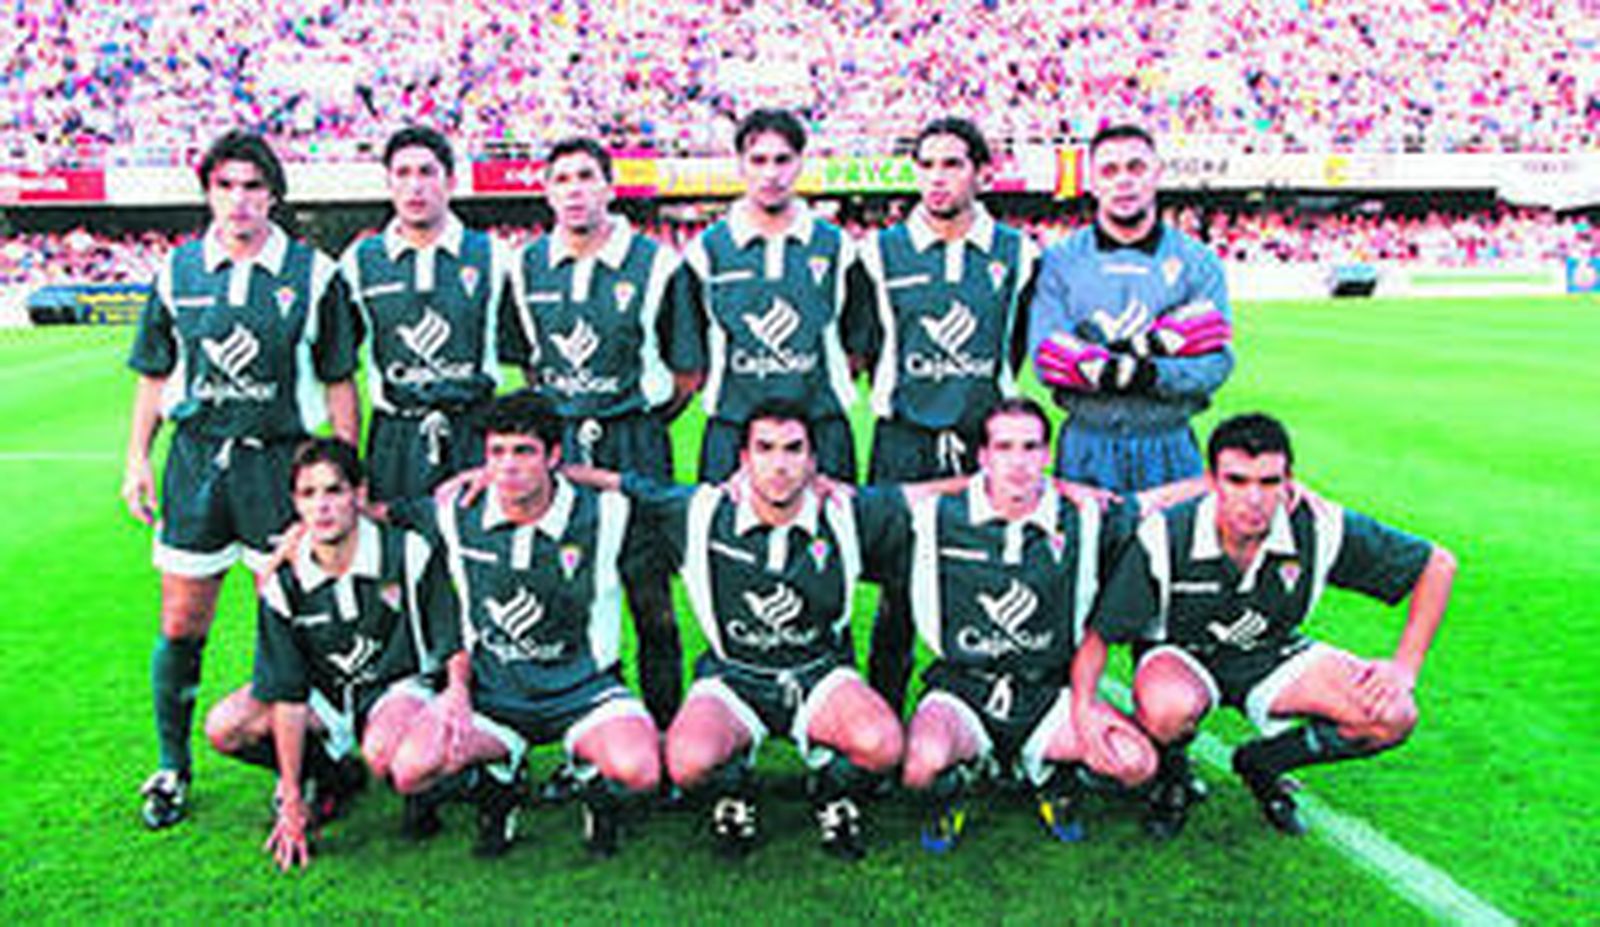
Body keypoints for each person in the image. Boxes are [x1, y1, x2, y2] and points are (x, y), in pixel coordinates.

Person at [123, 129, 360, 830]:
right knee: (179, 624)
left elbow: (339, 381)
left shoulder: (313, 273)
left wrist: (343, 478)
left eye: (253, 186)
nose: (239, 200)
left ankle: (309, 766)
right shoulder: (177, 270)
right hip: (197, 464)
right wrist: (137, 457)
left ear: (274, 196)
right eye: (225, 185)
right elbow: (155, 374)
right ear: (207, 192)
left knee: (289, 620)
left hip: (280, 468)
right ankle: (171, 767)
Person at [1077, 413, 1456, 838]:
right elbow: (1100, 635)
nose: (1253, 498)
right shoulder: (1166, 533)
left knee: (1392, 715)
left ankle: (1263, 763)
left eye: (1269, 481)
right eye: (1237, 481)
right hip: (1180, 656)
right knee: (1168, 708)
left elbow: (1437, 565)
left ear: (1289, 482)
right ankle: (1172, 773)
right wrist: (1085, 709)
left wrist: (1404, 669)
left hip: (1270, 651)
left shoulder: (1318, 524)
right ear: (1211, 482)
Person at [585, 401, 907, 861]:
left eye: (794, 449)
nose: (779, 464)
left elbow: (921, 497)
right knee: (687, 763)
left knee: (882, 745)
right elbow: (625, 484)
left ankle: (830, 789)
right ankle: (734, 790)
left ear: (813, 462)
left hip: (819, 673)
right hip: (732, 676)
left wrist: (1005, 483)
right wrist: (528, 474)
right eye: (765, 449)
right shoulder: (700, 511)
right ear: (743, 459)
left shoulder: (844, 510)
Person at [385, 391, 661, 859]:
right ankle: (500, 779)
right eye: (496, 453)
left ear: (554, 456)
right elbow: (373, 516)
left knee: (640, 769)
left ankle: (589, 774)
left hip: (584, 692)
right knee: (411, 769)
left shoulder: (608, 513)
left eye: (524, 452)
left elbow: (686, 502)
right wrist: (296, 538)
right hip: (494, 693)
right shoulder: (456, 511)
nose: (508, 466)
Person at [897, 398, 1157, 852]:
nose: (1018, 462)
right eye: (1004, 447)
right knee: (920, 767)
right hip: (963, 689)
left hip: (1047, 691)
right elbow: (853, 502)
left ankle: (1050, 773)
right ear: (983, 456)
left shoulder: (1084, 515)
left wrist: (1220, 483)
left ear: (1047, 455)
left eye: (1030, 447)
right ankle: (963, 778)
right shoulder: (936, 514)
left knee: (1136, 764)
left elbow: (1155, 504)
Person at [851, 116, 1042, 715]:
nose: (937, 178)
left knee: (986, 582)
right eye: (927, 164)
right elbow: (865, 348)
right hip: (904, 442)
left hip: (985, 447)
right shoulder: (879, 253)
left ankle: (979, 717)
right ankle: (884, 718)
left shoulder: (1018, 254)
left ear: (982, 173)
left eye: (953, 164)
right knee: (897, 594)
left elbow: (1014, 348)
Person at [503, 136, 689, 729]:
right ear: (546, 191)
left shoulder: (656, 263)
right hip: (557, 455)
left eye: (587, 176)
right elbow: (527, 366)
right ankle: (591, 737)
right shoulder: (525, 265)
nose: (575, 190)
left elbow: (688, 372)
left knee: (650, 601)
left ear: (610, 186)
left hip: (634, 442)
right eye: (562, 179)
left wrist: (636, 418)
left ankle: (664, 732)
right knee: (567, 597)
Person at [202, 438, 455, 871]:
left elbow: (451, 641)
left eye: (334, 491)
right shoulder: (284, 581)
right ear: (295, 504)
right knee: (226, 727)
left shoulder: (407, 551)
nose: (321, 506)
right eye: (308, 493)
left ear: (359, 494)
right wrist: (291, 796)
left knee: (385, 752)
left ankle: (421, 789)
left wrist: (454, 700)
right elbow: (287, 694)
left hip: (396, 689)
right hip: (326, 696)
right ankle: (331, 777)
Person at [1028, 124, 1233, 493]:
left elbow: (1215, 364)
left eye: (1136, 168)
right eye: (1109, 171)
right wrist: (1143, 359)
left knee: (1176, 533)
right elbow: (1046, 359)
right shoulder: (1059, 262)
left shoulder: (1199, 262)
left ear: (1157, 174)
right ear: (1093, 183)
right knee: (1086, 534)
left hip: (1169, 441)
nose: (1123, 181)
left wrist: (1147, 375)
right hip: (1086, 445)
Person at [665, 108, 863, 483]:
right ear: (739, 165)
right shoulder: (706, 250)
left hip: (821, 432)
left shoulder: (838, 247)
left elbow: (857, 349)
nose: (771, 173)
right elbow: (691, 362)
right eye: (758, 160)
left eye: (782, 160)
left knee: (832, 523)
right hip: (732, 431)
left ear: (801, 163)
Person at [337, 125, 514, 506]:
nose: (415, 186)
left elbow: (528, 359)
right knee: (397, 543)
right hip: (396, 438)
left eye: (427, 172)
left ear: (450, 182)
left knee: (480, 543)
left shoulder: (493, 255)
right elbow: (338, 370)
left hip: (475, 435)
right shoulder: (359, 262)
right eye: (402, 174)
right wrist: (346, 468)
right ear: (388, 183)